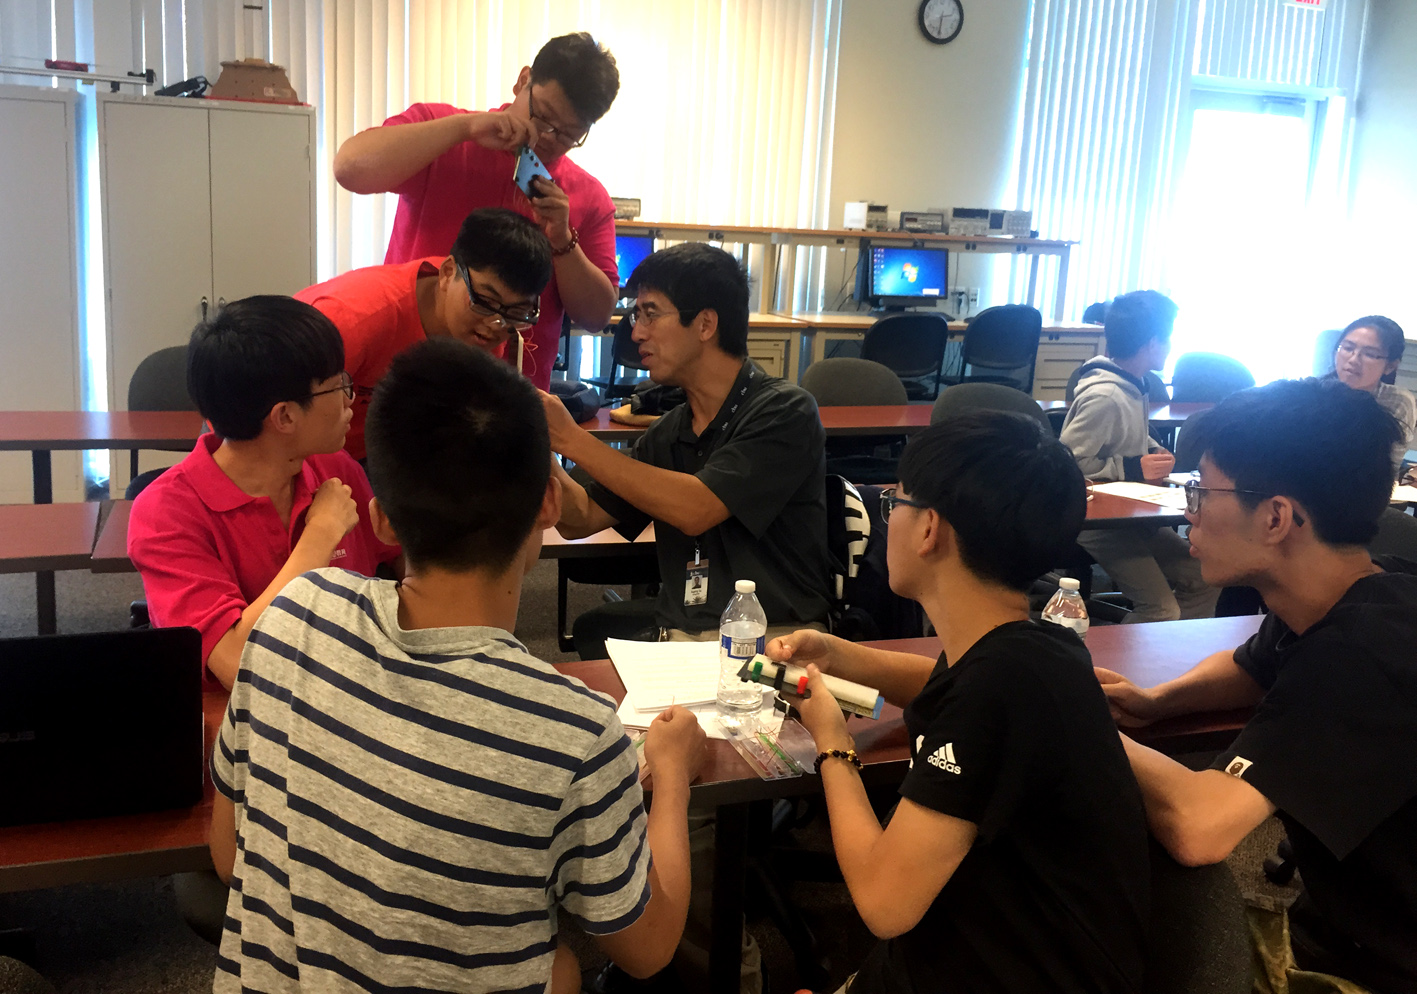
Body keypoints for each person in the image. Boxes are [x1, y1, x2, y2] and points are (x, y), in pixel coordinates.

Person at [208, 338, 709, 992]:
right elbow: (649, 948)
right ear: (548, 504)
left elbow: (229, 856)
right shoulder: (576, 734)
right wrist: (671, 774)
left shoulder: (290, 616)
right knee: (561, 967)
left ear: (382, 521)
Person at [770, 412, 1150, 994]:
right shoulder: (1033, 648)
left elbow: (882, 902)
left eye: (893, 502)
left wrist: (832, 742)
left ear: (929, 529)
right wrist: (838, 654)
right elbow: (949, 682)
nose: (886, 518)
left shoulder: (997, 689)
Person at [1094, 377, 1416, 994]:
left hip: (1384, 965)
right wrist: (1158, 700)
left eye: (1201, 489)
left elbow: (1199, 826)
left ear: (1275, 517)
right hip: (1341, 924)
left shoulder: (1366, 655)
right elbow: (1251, 666)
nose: (1189, 510)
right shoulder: (1361, 592)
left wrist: (1070, 710)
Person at [541, 242, 834, 649]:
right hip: (681, 638)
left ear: (705, 324)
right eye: (636, 316)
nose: (636, 332)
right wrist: (536, 440)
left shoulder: (784, 411)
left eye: (650, 313)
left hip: (776, 639)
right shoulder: (669, 431)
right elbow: (580, 519)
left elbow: (697, 508)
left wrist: (571, 439)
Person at [127, 296, 401, 690]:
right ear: (285, 416)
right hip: (243, 715)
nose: (350, 399)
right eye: (338, 385)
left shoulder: (335, 467)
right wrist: (320, 534)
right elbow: (237, 662)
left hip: (345, 692)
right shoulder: (166, 513)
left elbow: (403, 573)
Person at [333, 32, 621, 390]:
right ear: (523, 81)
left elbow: (596, 316)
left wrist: (563, 240)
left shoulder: (588, 197)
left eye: (567, 135)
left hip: (509, 396)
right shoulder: (445, 131)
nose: (548, 137)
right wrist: (464, 129)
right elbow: (349, 168)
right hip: (409, 377)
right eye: (543, 116)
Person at [294, 207, 551, 460]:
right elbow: (282, 426)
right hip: (311, 455)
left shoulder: (483, 328)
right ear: (448, 273)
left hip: (392, 454)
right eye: (485, 301)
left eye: (516, 312)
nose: (496, 324)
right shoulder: (353, 321)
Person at [1060, 289, 1217, 622]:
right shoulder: (1105, 396)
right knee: (1161, 610)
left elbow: (1124, 432)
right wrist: (1132, 467)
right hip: (1099, 525)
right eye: (1168, 339)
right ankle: (1111, 656)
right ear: (1152, 343)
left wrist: (1151, 447)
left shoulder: (1134, 383)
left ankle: (1173, 648)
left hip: (1131, 517)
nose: (1170, 346)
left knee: (1203, 576)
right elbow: (1066, 464)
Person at [1328, 315, 1416, 479]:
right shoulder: (1311, 395)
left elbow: (1387, 470)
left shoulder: (1397, 402)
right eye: (1347, 348)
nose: (1353, 359)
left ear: (1390, 366)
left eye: (1369, 354)